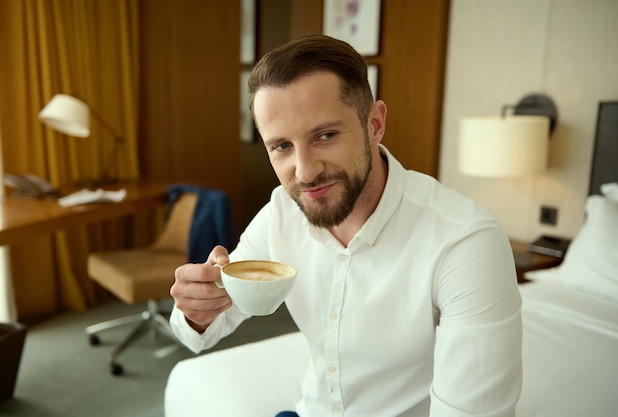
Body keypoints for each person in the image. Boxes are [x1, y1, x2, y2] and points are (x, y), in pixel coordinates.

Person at [169, 34, 522, 416]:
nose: (304, 172)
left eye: (325, 135)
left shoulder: (466, 244)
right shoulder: (281, 212)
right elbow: (202, 331)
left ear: (375, 124)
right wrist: (197, 308)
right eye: (282, 146)